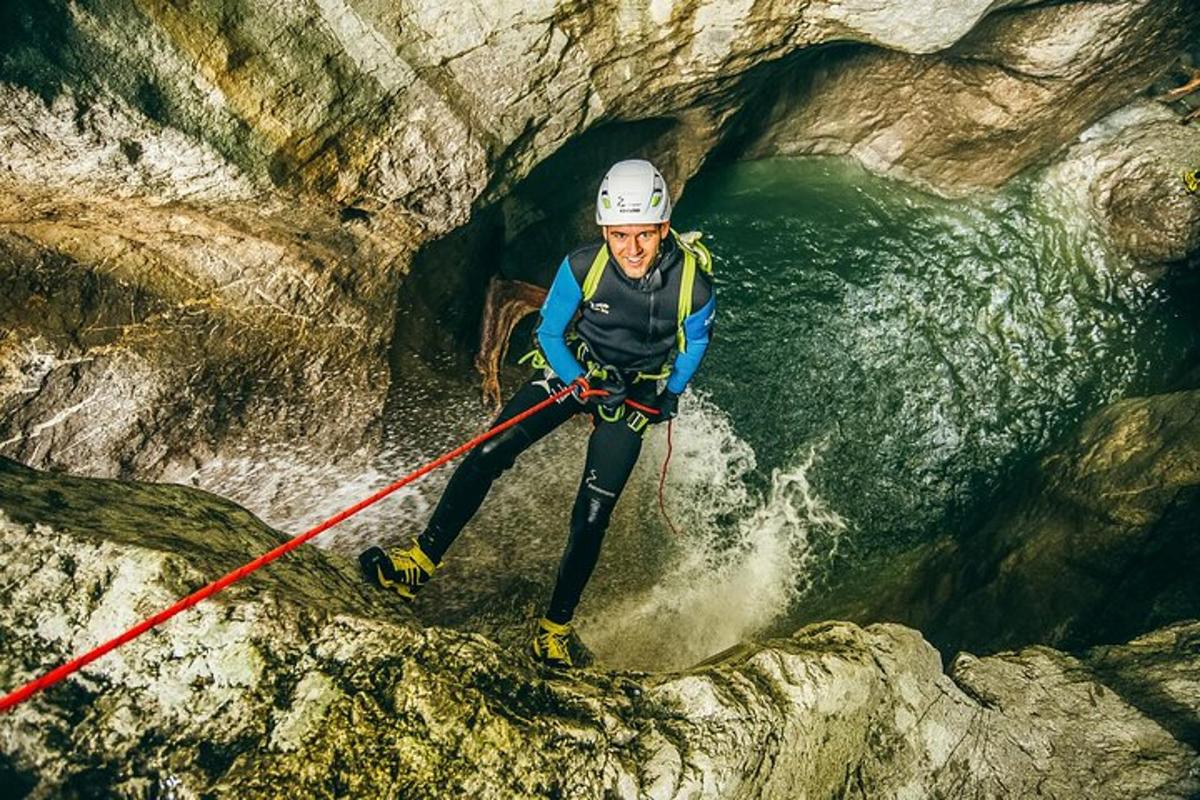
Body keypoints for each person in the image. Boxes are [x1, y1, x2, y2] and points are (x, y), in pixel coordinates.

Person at [359, 159, 716, 668]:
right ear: (604, 231)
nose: (631, 250)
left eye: (643, 235)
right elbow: (548, 335)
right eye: (619, 235)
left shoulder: (694, 289)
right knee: (488, 451)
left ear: (663, 229)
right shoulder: (581, 266)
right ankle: (418, 564)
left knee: (592, 514)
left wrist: (670, 393)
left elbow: (693, 346)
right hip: (580, 369)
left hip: (636, 392)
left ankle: (554, 630)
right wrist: (580, 382)